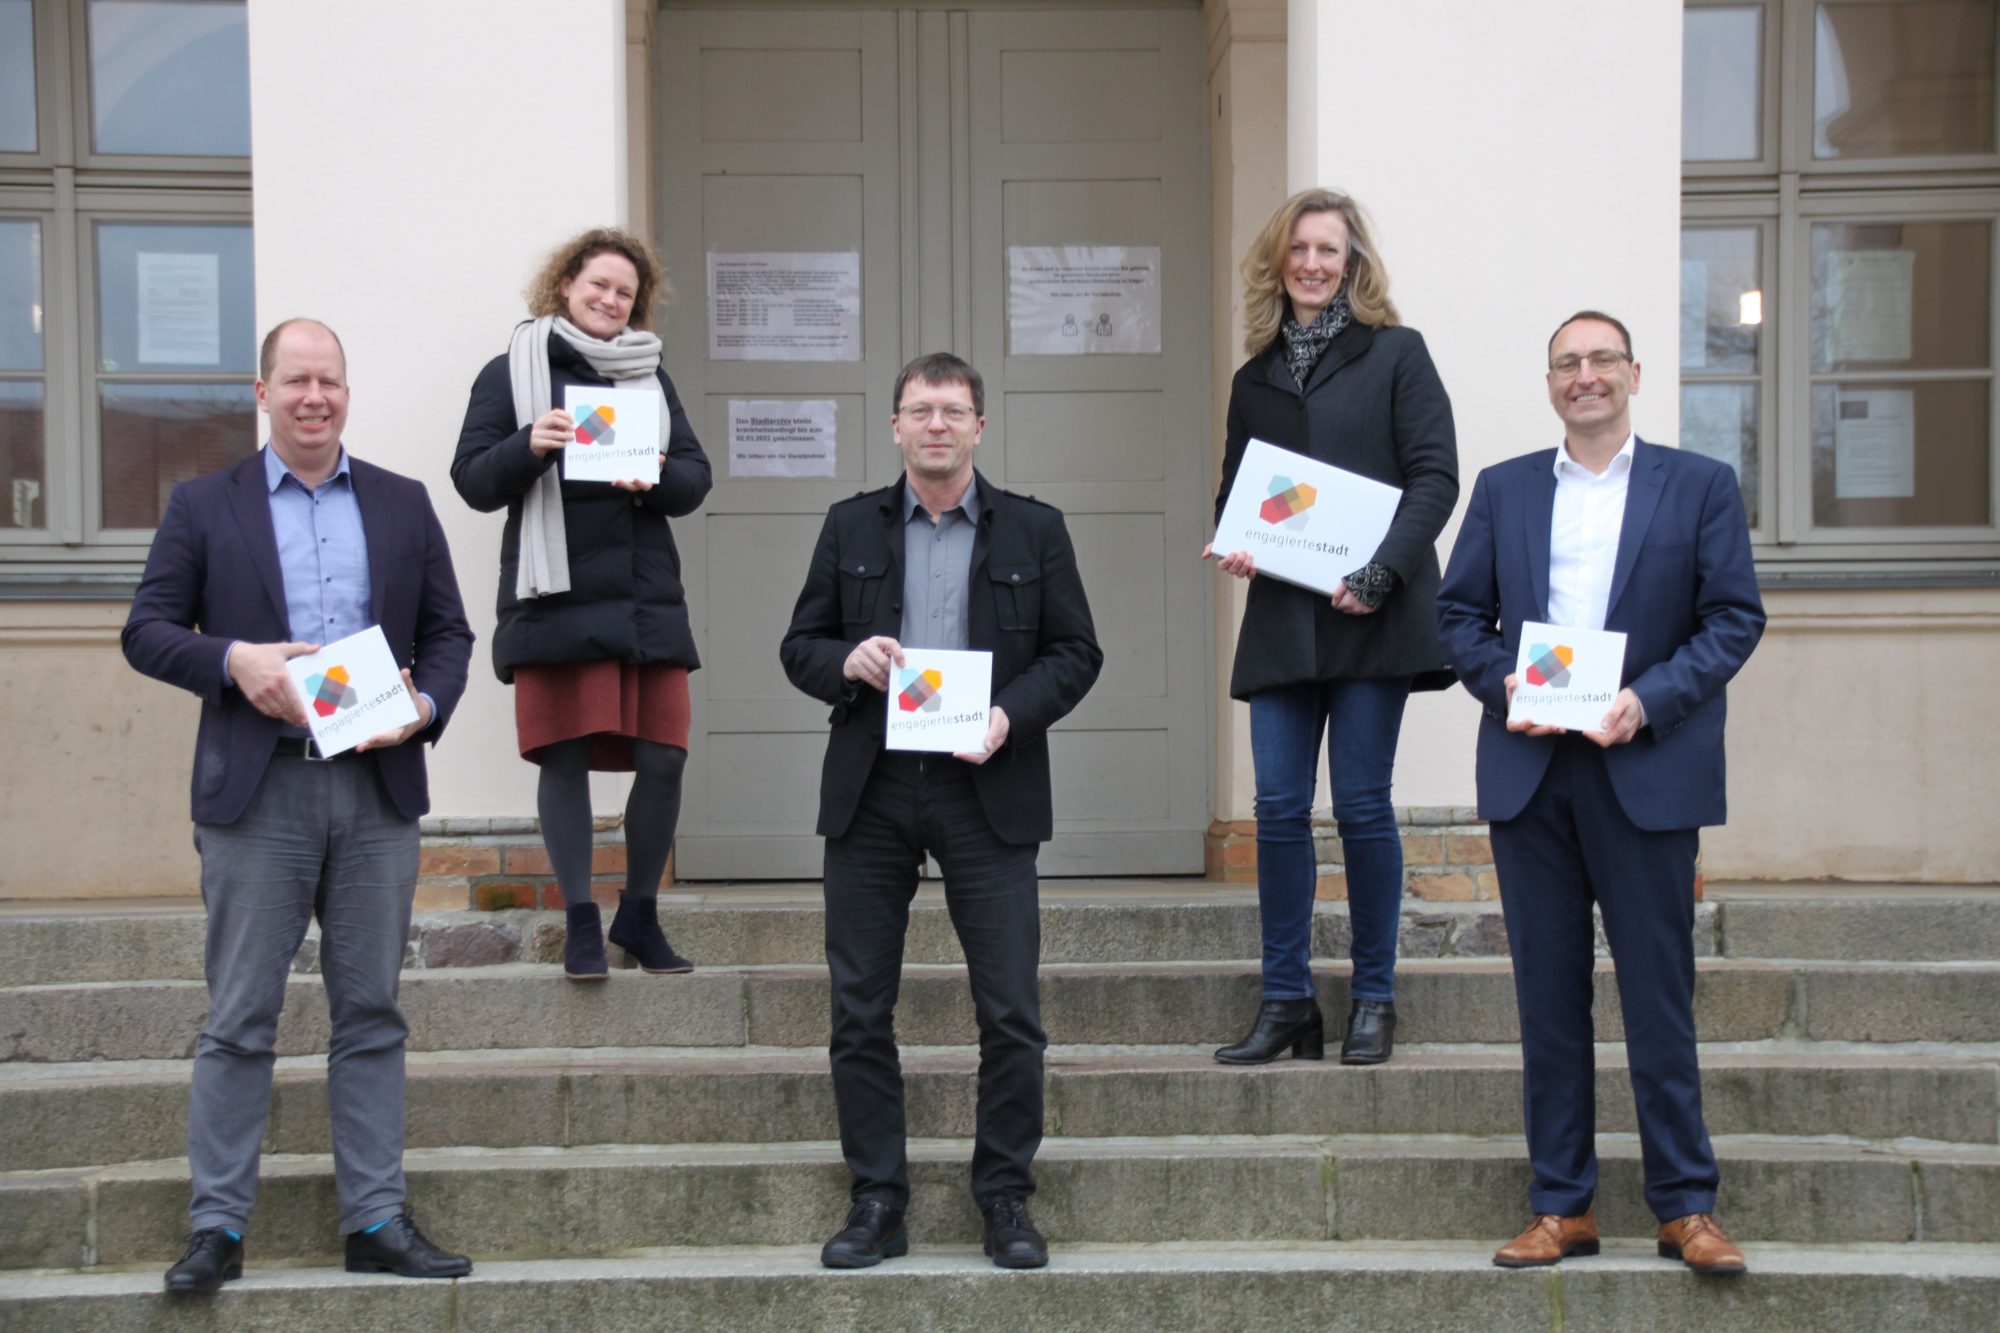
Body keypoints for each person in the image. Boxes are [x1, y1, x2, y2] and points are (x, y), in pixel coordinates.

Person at [123, 318, 476, 1292]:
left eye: (329, 380)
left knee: (370, 1010)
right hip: (258, 790)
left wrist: (425, 704)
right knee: (240, 1014)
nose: (313, 396)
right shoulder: (205, 504)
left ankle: (374, 1219)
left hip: (373, 788)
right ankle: (217, 1228)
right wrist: (230, 661)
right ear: (262, 392)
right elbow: (147, 630)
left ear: (345, 394)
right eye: (296, 380)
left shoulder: (402, 504)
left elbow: (449, 634)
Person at [1435, 310, 1765, 1275]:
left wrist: (1646, 702)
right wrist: (1508, 688)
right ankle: (1562, 1205)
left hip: (1644, 766)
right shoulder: (1504, 490)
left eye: (1601, 360)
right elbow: (1458, 616)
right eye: (1567, 363)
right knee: (1548, 997)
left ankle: (1685, 1207)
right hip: (1535, 772)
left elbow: (1733, 618)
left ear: (1633, 373)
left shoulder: (1700, 485)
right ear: (1551, 384)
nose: (1585, 376)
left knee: (1660, 995)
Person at [779, 352, 1102, 1271]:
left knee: (1009, 1009)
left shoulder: (1034, 530)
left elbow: (1078, 652)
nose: (935, 425)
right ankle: (877, 1197)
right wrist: (845, 662)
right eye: (919, 410)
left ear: (979, 427)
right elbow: (797, 644)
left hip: (984, 786)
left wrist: (1009, 715)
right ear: (894, 426)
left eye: (953, 411)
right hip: (873, 786)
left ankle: (1004, 1195)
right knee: (858, 1008)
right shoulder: (850, 525)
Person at [1204, 188, 1459, 1067]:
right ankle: (1286, 1001)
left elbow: (1435, 477)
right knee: (1277, 807)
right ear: (1280, 261)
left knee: (1359, 806)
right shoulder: (1254, 377)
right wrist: (1238, 542)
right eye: (1301, 249)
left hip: (1370, 617)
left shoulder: (1397, 354)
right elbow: (1238, 493)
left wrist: (1380, 572)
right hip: (1283, 618)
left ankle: (1374, 999)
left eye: (1332, 251)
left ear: (1354, 264)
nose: (1315, 264)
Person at [452, 227, 712, 980]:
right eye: (598, 284)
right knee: (563, 755)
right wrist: (530, 445)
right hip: (554, 595)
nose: (610, 299)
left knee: (663, 758)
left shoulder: (650, 377)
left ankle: (638, 915)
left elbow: (694, 479)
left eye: (625, 292)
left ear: (638, 306)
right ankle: (580, 924)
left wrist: (654, 477)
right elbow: (471, 480)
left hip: (642, 599)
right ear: (565, 284)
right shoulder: (512, 372)